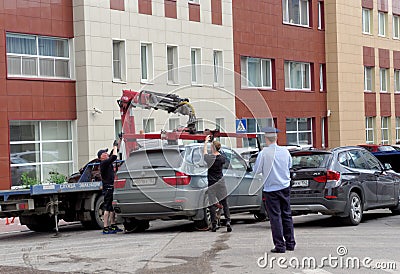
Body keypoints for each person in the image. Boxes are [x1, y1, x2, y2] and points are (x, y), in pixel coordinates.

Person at [253, 127, 295, 253]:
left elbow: (257, 170)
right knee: (287, 214)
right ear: (277, 138)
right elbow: (289, 166)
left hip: (271, 189)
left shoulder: (264, 153)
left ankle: (280, 245)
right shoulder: (285, 152)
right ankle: (290, 243)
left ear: (266, 139)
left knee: (275, 217)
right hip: (284, 186)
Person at [203, 135, 232, 232]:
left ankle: (214, 225)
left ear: (212, 148)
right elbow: (224, 157)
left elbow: (204, 153)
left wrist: (206, 142)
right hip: (220, 182)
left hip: (212, 183)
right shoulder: (222, 158)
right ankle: (228, 221)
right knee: (225, 203)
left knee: (212, 204)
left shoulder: (209, 158)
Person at [98, 140, 123, 234]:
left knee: (112, 208)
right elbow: (114, 157)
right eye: (105, 153)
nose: (107, 153)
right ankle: (105, 227)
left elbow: (113, 155)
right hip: (108, 188)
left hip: (111, 187)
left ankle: (113, 225)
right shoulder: (103, 163)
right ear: (102, 156)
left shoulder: (107, 163)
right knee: (107, 208)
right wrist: (115, 147)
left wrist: (115, 146)